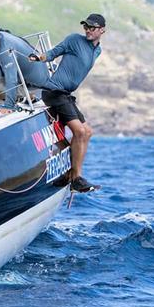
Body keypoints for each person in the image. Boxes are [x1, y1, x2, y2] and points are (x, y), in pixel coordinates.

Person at [29, 13, 106, 193]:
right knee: (79, 131)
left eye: (92, 27)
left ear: (102, 30)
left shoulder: (98, 50)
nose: (87, 30)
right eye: (85, 27)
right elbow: (54, 52)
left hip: (66, 95)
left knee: (87, 132)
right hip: (54, 92)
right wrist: (39, 58)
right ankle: (76, 179)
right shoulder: (74, 40)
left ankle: (69, 174)